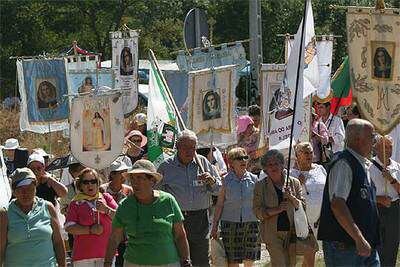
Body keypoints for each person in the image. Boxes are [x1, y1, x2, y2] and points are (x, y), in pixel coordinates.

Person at [104, 159, 192, 267]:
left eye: (140, 178)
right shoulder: (125, 205)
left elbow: (180, 236)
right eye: (132, 178)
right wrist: (107, 263)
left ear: (152, 181)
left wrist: (186, 261)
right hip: (134, 263)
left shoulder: (168, 200)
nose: (135, 182)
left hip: (168, 262)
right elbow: (114, 238)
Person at [318, 119, 380, 266]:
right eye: (372, 136)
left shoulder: (362, 164)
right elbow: (337, 204)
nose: (375, 141)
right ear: (359, 140)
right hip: (346, 248)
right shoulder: (344, 164)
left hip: (365, 246)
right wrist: (359, 238)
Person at [158, 129, 221, 266]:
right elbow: (157, 195)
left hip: (200, 220)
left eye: (192, 148)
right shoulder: (166, 167)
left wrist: (212, 181)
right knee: (179, 260)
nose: (189, 151)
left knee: (201, 260)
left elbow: (219, 190)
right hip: (175, 219)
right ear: (177, 147)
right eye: (185, 147)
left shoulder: (203, 163)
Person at [0, 168, 66, 266]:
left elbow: (58, 243)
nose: (25, 193)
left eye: (29, 188)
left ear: (35, 188)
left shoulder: (48, 207)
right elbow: (1, 248)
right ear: (13, 192)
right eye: (20, 189)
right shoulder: (5, 213)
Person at [253, 149, 305, 266]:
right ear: (265, 169)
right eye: (269, 164)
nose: (273, 167)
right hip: (272, 233)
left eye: (276, 163)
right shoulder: (260, 186)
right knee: (279, 263)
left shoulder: (294, 183)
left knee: (291, 264)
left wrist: (291, 197)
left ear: (282, 165)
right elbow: (257, 212)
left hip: (292, 231)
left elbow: (303, 206)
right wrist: (278, 209)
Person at [211, 147, 261, 266]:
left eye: (245, 157)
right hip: (230, 223)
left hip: (251, 222)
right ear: (231, 163)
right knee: (233, 260)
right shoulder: (226, 180)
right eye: (239, 158)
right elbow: (219, 204)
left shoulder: (254, 179)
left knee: (249, 259)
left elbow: (259, 202)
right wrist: (214, 226)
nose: (243, 160)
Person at [65, 168, 117, 267]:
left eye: (93, 181)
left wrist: (106, 209)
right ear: (80, 185)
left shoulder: (106, 198)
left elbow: (120, 218)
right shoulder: (75, 203)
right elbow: (69, 227)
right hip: (83, 256)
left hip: (107, 254)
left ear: (98, 183)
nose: (90, 185)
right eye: (86, 182)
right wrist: (90, 230)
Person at [290, 142, 327, 267]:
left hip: (320, 219)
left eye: (311, 152)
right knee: (309, 254)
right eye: (306, 152)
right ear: (297, 155)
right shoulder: (292, 174)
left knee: (311, 255)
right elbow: (288, 197)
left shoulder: (320, 169)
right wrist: (298, 184)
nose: (309, 155)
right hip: (303, 221)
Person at [370, 135, 400, 267]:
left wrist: (391, 180)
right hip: (375, 209)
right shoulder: (369, 166)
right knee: (376, 247)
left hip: (394, 210)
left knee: (391, 247)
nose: (388, 150)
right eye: (384, 146)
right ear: (376, 148)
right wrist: (379, 199)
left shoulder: (397, 167)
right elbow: (362, 193)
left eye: (390, 147)